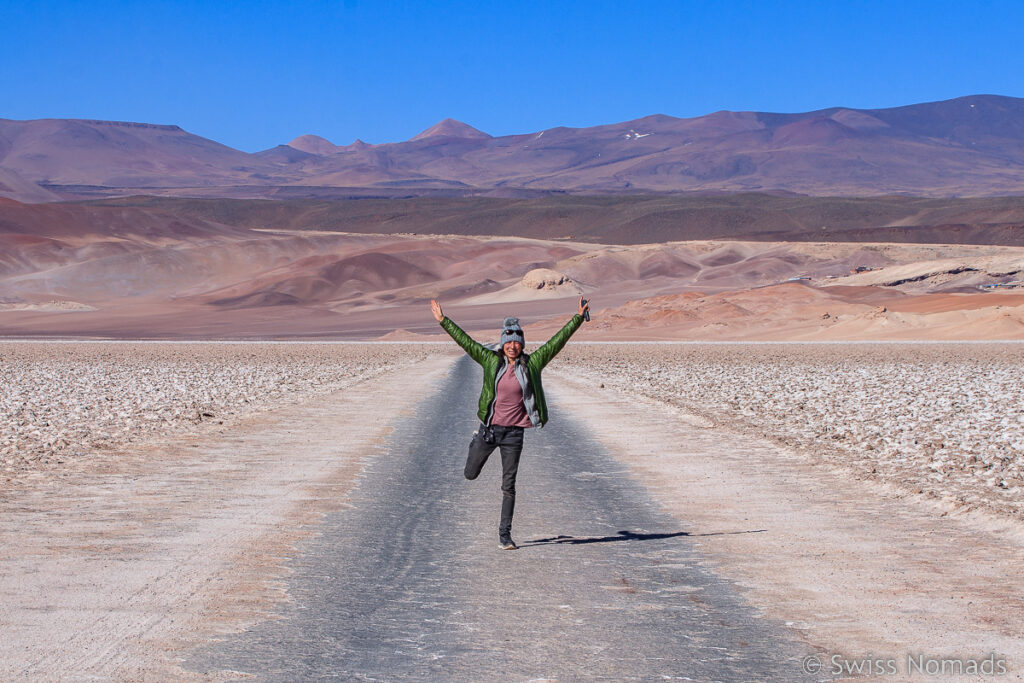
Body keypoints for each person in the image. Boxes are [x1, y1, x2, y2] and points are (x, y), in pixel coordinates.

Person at [430, 297, 590, 550]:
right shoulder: (490, 361)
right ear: (502, 343)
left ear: (522, 344)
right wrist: (443, 321)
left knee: (509, 485)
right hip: (489, 431)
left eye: (517, 342)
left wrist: (578, 318)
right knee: (470, 474)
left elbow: (556, 342)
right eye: (508, 341)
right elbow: (466, 343)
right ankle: (475, 442)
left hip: (514, 435)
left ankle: (505, 535)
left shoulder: (532, 364)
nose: (513, 346)